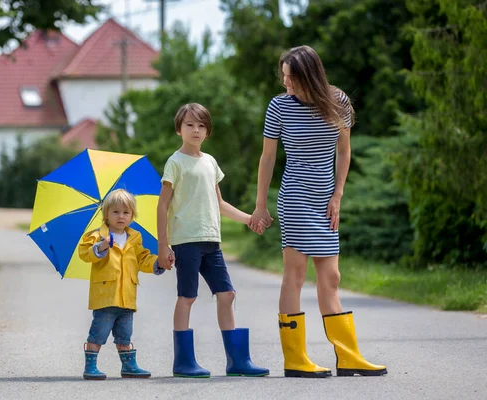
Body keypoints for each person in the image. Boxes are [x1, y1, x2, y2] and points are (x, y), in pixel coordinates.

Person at [249, 45, 387, 378]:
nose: (286, 85)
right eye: (283, 78)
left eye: (291, 78)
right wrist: (261, 204)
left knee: (332, 278)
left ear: (309, 76)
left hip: (325, 199)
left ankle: (349, 356)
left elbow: (344, 150)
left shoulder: (337, 102)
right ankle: (296, 359)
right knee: (294, 275)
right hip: (295, 198)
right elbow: (268, 158)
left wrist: (338, 194)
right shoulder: (279, 106)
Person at [157, 103, 269, 378]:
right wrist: (163, 245)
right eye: (189, 125)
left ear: (208, 131)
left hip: (211, 240)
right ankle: (183, 362)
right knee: (187, 297)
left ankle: (236, 361)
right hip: (186, 241)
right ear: (179, 129)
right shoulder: (175, 162)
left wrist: (249, 219)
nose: (196, 130)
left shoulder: (210, 162)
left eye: (201, 125)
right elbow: (162, 206)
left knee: (227, 294)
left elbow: (219, 203)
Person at [78, 189, 171, 380]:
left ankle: (129, 365)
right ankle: (91, 366)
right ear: (106, 215)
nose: (121, 216)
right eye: (116, 212)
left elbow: (142, 258)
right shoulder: (97, 236)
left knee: (125, 335)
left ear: (132, 216)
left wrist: (157, 263)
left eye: (126, 212)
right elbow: (85, 253)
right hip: (106, 296)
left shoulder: (134, 237)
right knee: (98, 333)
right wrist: (100, 247)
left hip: (127, 296)